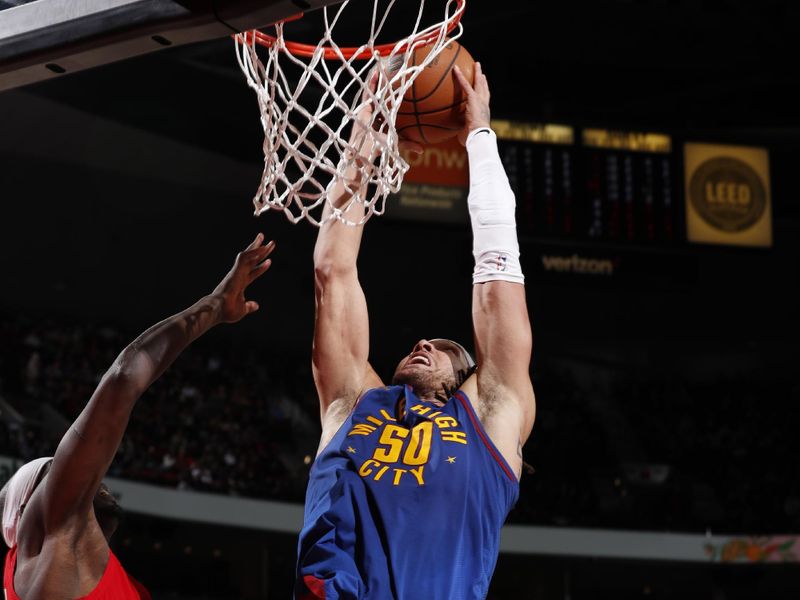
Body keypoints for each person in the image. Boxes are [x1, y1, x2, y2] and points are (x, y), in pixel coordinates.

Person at [296, 61, 535, 599]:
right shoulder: (352, 402)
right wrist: (365, 129)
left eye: (446, 348)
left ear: (471, 378)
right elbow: (332, 271)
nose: (423, 343)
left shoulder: (492, 420)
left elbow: (499, 282)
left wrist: (479, 136)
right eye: (421, 342)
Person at [0, 234, 275, 600]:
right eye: (59, 468)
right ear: (32, 506)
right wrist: (213, 306)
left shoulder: (55, 567)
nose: (86, 470)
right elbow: (123, 377)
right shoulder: (56, 533)